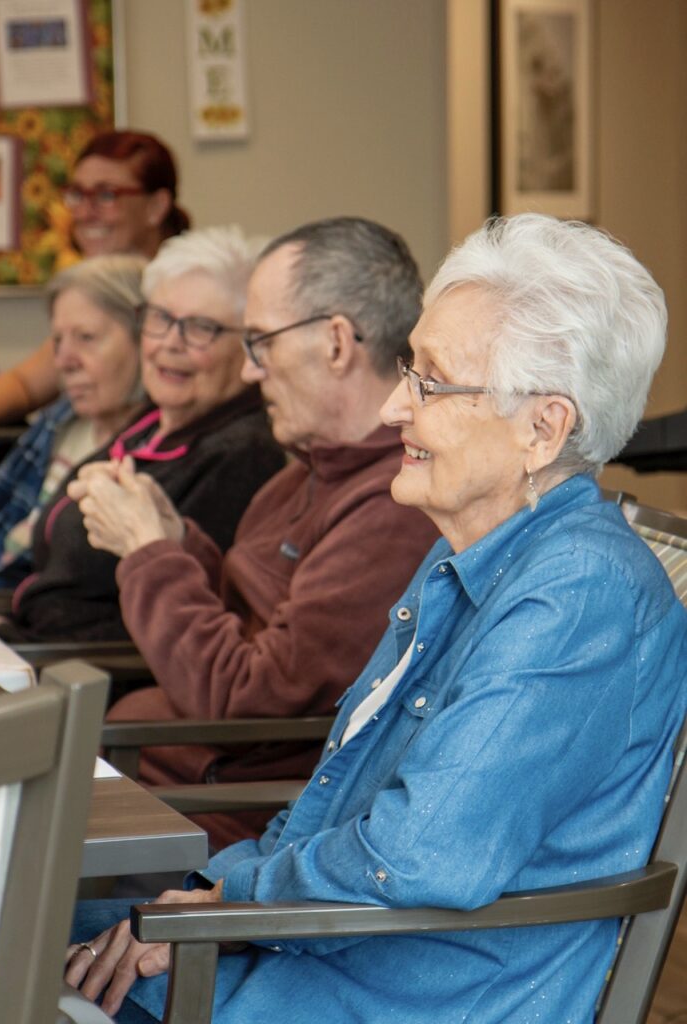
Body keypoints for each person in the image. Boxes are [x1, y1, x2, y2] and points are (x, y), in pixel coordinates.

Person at [64, 213, 687, 1024]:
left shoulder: (577, 598)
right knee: (14, 932)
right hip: (329, 942)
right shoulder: (472, 544)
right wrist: (210, 897)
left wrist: (223, 903)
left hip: (403, 988)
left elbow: (414, 855)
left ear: (544, 427)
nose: (396, 405)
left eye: (430, 380)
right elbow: (344, 790)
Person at [70, 217, 439, 847]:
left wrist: (148, 552)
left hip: (223, 819)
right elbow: (247, 616)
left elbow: (247, 696)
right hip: (162, 776)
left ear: (336, 342)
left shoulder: (393, 506)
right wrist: (173, 537)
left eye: (261, 341)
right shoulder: (302, 473)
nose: (248, 372)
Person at [0, 225, 286, 643]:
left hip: (88, 676)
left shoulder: (245, 453)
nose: (170, 344)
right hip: (33, 642)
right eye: (160, 319)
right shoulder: (151, 423)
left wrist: (14, 645)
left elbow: (172, 625)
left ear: (249, 345)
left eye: (201, 327)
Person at [0, 129, 189, 510]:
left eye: (106, 195)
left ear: (156, 207)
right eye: (77, 195)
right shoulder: (90, 293)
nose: (85, 211)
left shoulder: (187, 299)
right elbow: (26, 381)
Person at [0, 255, 145, 593]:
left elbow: (78, 593)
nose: (64, 361)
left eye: (86, 337)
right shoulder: (63, 421)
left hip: (19, 615)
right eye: (58, 341)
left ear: (144, 341)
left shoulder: (149, 453)